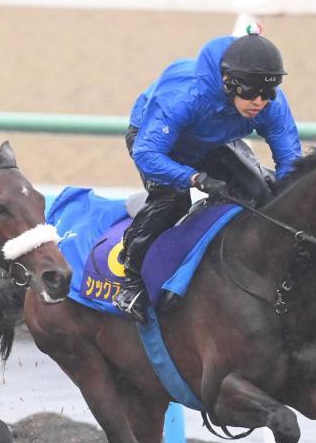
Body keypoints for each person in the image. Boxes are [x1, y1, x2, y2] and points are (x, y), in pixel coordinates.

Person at [113, 25, 302, 323]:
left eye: (269, 91)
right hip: (154, 140)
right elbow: (148, 154)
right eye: (251, 90)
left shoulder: (268, 105)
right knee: (173, 200)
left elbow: (290, 160)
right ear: (227, 82)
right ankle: (131, 279)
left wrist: (289, 193)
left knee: (260, 193)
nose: (260, 101)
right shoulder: (186, 95)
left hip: (213, 139)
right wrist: (194, 179)